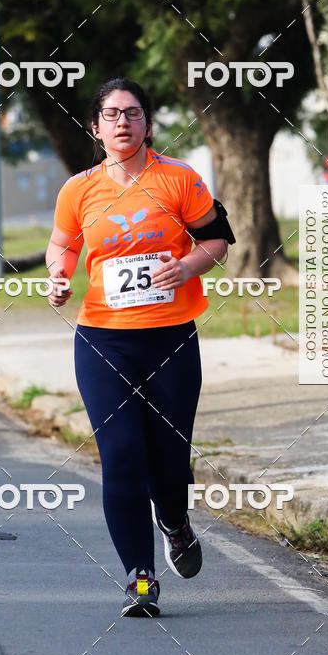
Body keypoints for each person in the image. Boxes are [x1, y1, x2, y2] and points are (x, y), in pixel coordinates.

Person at [46, 78, 234, 617]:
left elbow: (216, 240)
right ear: (96, 127)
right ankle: (140, 578)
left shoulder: (178, 179)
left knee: (169, 464)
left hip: (170, 337)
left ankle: (174, 521)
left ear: (147, 123)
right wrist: (59, 277)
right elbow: (62, 245)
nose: (123, 121)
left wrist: (188, 265)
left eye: (132, 112)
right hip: (103, 339)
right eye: (112, 114)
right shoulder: (78, 189)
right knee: (122, 456)